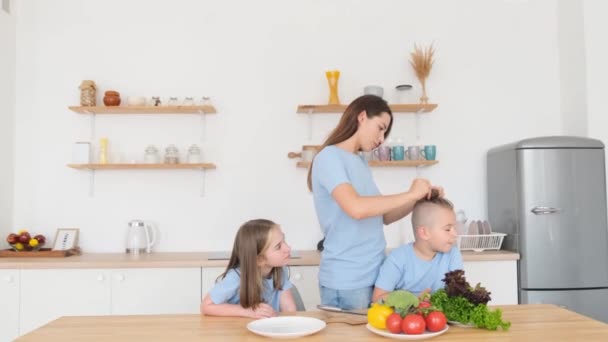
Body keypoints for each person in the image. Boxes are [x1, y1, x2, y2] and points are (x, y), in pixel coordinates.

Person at [307, 94, 443, 310]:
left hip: (376, 276)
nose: (381, 139)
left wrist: (417, 197)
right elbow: (356, 208)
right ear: (362, 117)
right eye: (380, 127)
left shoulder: (359, 161)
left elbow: (385, 216)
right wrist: (409, 194)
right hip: (348, 281)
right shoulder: (329, 157)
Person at [372, 191, 462, 301]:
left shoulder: (452, 254)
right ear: (424, 233)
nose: (455, 234)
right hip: (405, 316)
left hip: (438, 316)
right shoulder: (398, 258)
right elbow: (377, 298)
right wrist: (414, 300)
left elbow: (457, 294)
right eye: (447, 229)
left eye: (454, 228)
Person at [201, 219, 297, 318]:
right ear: (260, 259)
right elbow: (206, 306)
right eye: (278, 247)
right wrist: (247, 311)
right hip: (238, 330)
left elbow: (289, 309)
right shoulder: (236, 277)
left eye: (284, 240)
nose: (288, 248)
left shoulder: (280, 270)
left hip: (266, 328)